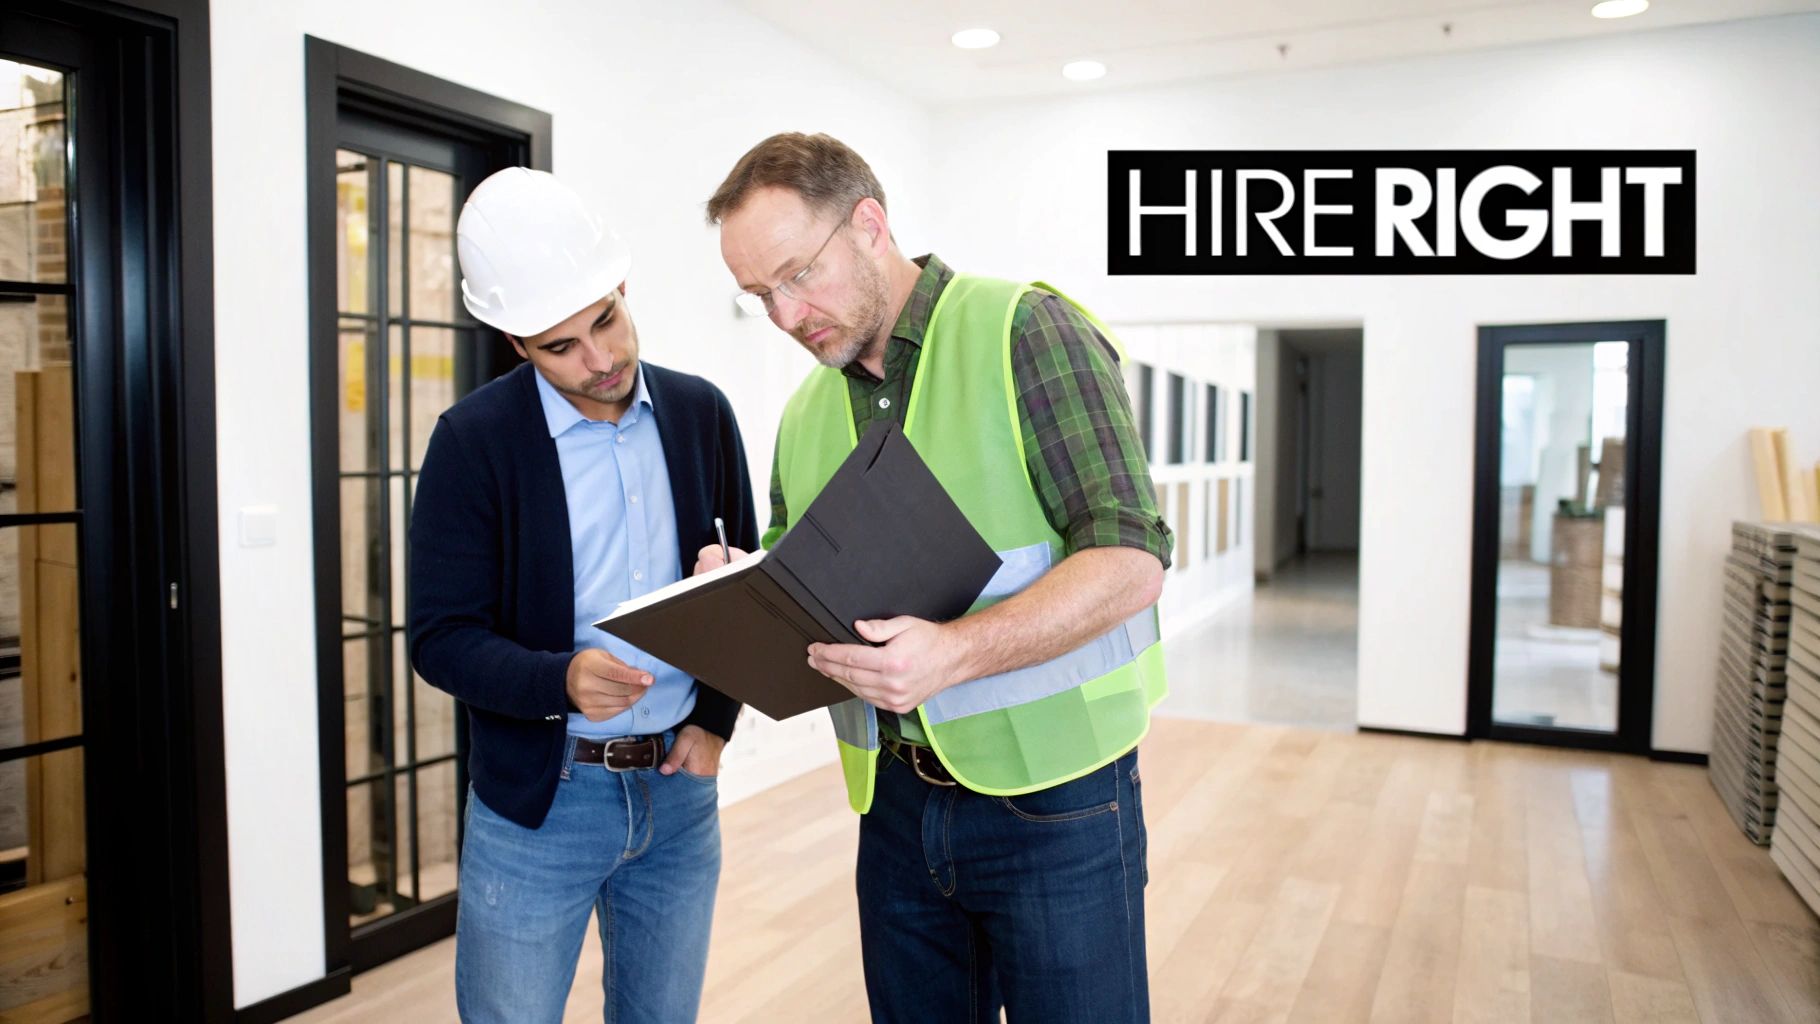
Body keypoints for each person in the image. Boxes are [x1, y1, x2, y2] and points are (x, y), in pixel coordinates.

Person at [700, 133, 1172, 1023]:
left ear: (869, 224)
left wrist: (956, 653)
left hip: (1060, 802)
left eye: (798, 274)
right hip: (895, 809)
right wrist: (742, 583)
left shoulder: (1024, 330)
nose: (787, 315)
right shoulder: (805, 410)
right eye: (760, 295)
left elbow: (1129, 560)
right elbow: (795, 574)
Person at [409, 167, 756, 1023]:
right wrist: (558, 680)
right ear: (514, 342)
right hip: (541, 803)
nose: (599, 360)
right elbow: (441, 637)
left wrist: (715, 720)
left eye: (606, 320)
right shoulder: (472, 443)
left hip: (679, 796)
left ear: (622, 287)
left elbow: (748, 584)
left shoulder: (700, 413)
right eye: (562, 347)